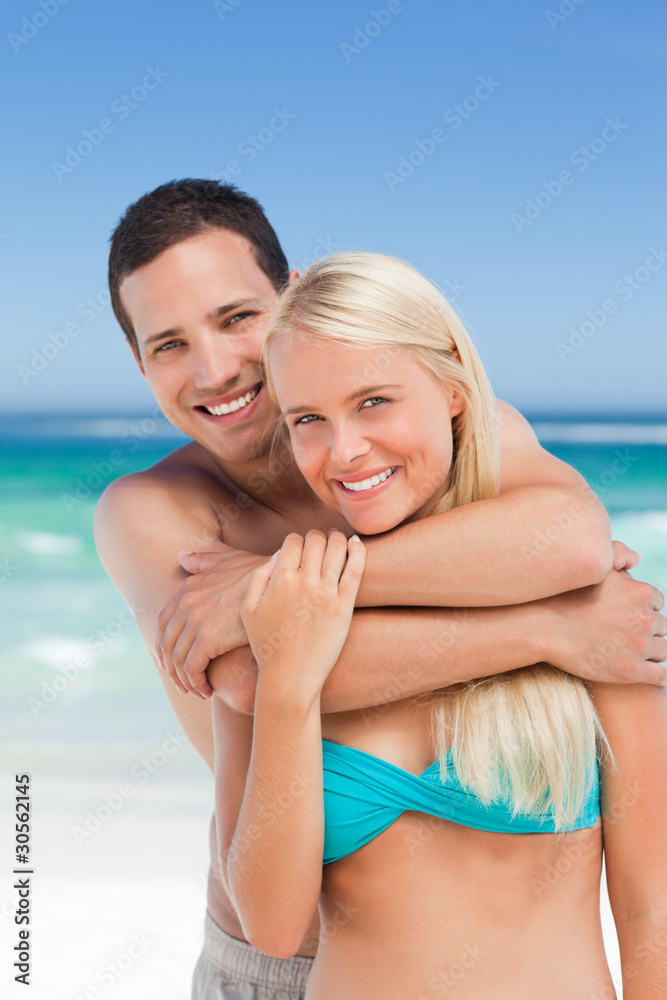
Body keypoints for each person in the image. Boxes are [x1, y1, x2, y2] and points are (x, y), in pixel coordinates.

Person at [93, 180, 665, 1000]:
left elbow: (571, 539)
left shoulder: (430, 426)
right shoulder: (151, 510)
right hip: (272, 960)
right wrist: (545, 630)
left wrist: (274, 588)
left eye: (235, 318)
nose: (214, 369)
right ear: (139, 362)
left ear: (289, 302)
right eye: (169, 344)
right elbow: (258, 680)